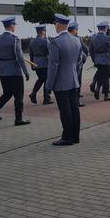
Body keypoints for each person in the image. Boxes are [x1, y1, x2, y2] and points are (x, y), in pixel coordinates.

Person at [0, 17, 31, 127]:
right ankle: (19, 119)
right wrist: (25, 71)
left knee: (7, 94)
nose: (15, 27)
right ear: (11, 26)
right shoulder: (15, 39)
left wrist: (3, 64)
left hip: (3, 70)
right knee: (19, 96)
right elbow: (20, 57)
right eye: (14, 25)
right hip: (14, 71)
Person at [47, 14, 83, 146]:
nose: (55, 26)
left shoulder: (56, 42)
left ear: (58, 24)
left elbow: (53, 65)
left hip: (60, 82)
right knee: (74, 108)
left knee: (65, 110)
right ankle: (75, 136)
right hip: (73, 80)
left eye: (55, 23)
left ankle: (67, 137)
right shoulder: (76, 40)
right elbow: (79, 61)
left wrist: (49, 84)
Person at [89, 21, 110, 101]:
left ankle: (95, 84)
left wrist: (94, 59)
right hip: (106, 59)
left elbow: (90, 51)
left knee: (99, 73)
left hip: (97, 59)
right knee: (106, 77)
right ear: (106, 28)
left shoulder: (93, 38)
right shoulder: (108, 38)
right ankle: (105, 95)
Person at [28, 25, 53, 105]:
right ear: (43, 31)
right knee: (46, 80)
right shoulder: (46, 41)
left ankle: (33, 94)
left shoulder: (32, 41)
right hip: (45, 63)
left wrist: (32, 64)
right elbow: (50, 53)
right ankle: (46, 98)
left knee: (41, 79)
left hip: (36, 62)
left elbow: (31, 54)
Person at [68, 22, 89, 107]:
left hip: (67, 66)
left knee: (69, 83)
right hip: (77, 65)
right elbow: (86, 49)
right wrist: (84, 59)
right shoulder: (77, 39)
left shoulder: (63, 38)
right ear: (75, 30)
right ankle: (76, 101)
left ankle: (69, 101)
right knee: (77, 82)